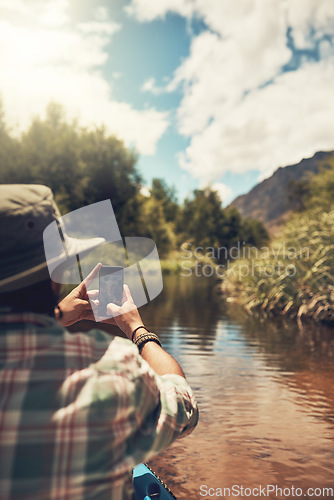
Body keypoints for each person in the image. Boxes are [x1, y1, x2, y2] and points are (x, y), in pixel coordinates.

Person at [0, 184, 198, 500]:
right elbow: (184, 406)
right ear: (54, 274)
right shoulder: (114, 368)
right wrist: (137, 329)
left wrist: (57, 314)